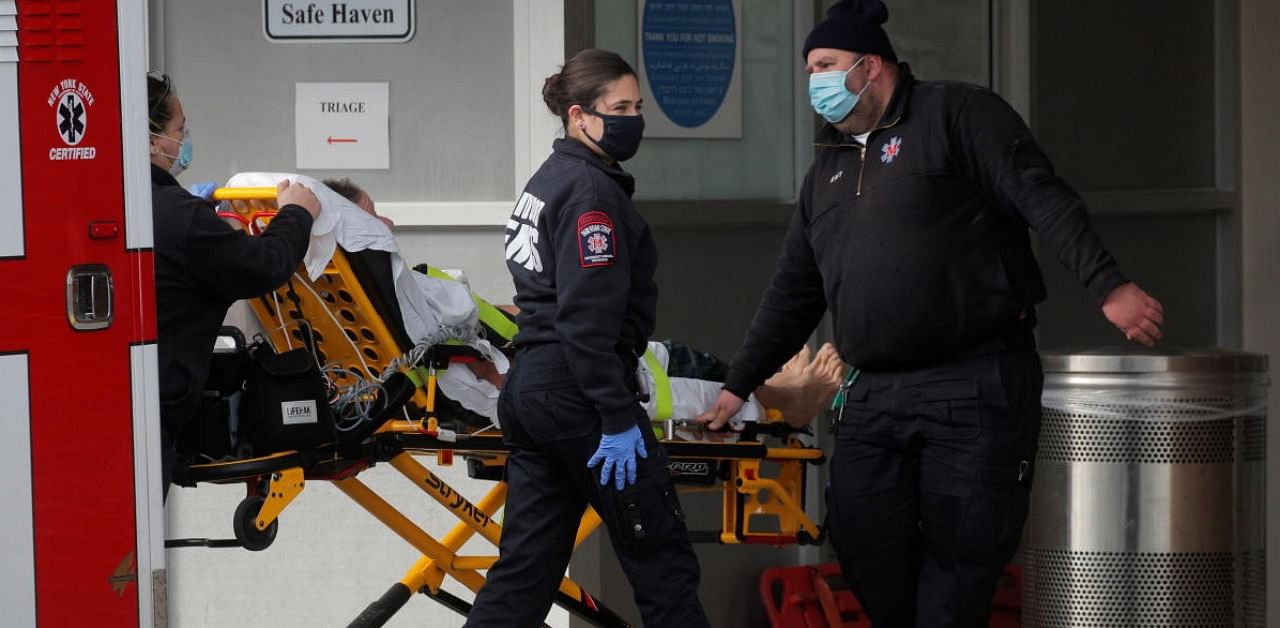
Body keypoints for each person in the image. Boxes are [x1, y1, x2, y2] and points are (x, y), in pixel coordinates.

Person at [697, 1, 1165, 626]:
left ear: (871, 65)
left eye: (826, 65)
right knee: (862, 543)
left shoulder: (958, 114)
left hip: (973, 383)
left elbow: (1042, 198)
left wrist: (1108, 285)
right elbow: (793, 290)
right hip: (872, 394)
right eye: (810, 68)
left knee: (963, 558)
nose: (816, 82)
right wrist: (737, 386)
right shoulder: (828, 170)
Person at [462, 49, 711, 627]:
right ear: (579, 116)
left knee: (524, 573)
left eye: (638, 106)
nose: (633, 118)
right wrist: (618, 416)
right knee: (662, 564)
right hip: (581, 396)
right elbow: (585, 321)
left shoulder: (548, 180)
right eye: (618, 107)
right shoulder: (591, 195)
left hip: (532, 393)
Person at [315, 176, 847, 428]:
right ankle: (780, 404)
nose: (389, 223)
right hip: (557, 376)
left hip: (530, 356)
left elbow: (474, 333)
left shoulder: (350, 313)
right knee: (669, 368)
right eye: (374, 215)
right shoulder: (402, 295)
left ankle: (769, 385)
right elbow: (474, 357)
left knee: (663, 354)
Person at [148, 71, 321, 497]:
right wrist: (297, 213)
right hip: (151, 421)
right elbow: (264, 265)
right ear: (152, 140)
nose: (184, 140)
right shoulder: (180, 219)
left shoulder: (111, 202)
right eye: (179, 130)